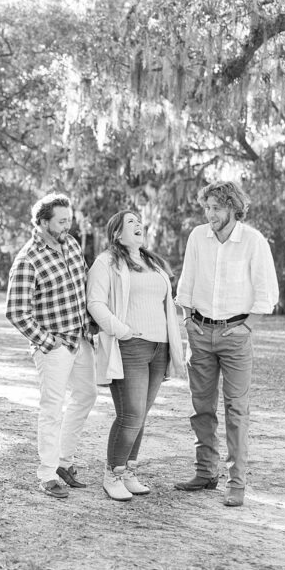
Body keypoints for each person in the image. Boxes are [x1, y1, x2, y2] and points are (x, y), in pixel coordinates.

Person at [174, 181, 278, 507]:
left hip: (236, 335)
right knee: (201, 408)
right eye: (206, 208)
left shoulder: (253, 241)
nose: (210, 214)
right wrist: (189, 319)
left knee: (236, 410)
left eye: (216, 208)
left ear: (232, 206)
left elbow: (266, 292)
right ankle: (205, 472)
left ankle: (237, 483)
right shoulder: (197, 237)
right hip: (201, 333)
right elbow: (187, 281)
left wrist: (247, 327)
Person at [86, 210, 186, 501]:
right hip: (130, 346)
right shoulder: (106, 262)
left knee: (141, 416)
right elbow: (95, 302)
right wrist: (122, 330)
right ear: (117, 233)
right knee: (130, 415)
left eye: (139, 221)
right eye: (131, 222)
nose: (139, 225)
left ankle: (128, 470)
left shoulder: (153, 262)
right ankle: (112, 474)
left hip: (159, 347)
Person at [5, 194, 97, 499]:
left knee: (86, 395)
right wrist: (47, 341)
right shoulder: (28, 258)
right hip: (54, 347)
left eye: (69, 220)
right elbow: (16, 311)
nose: (67, 226)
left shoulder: (71, 245)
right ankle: (46, 475)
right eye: (61, 221)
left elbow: (82, 288)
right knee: (52, 408)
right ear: (43, 222)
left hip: (80, 339)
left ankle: (63, 462)